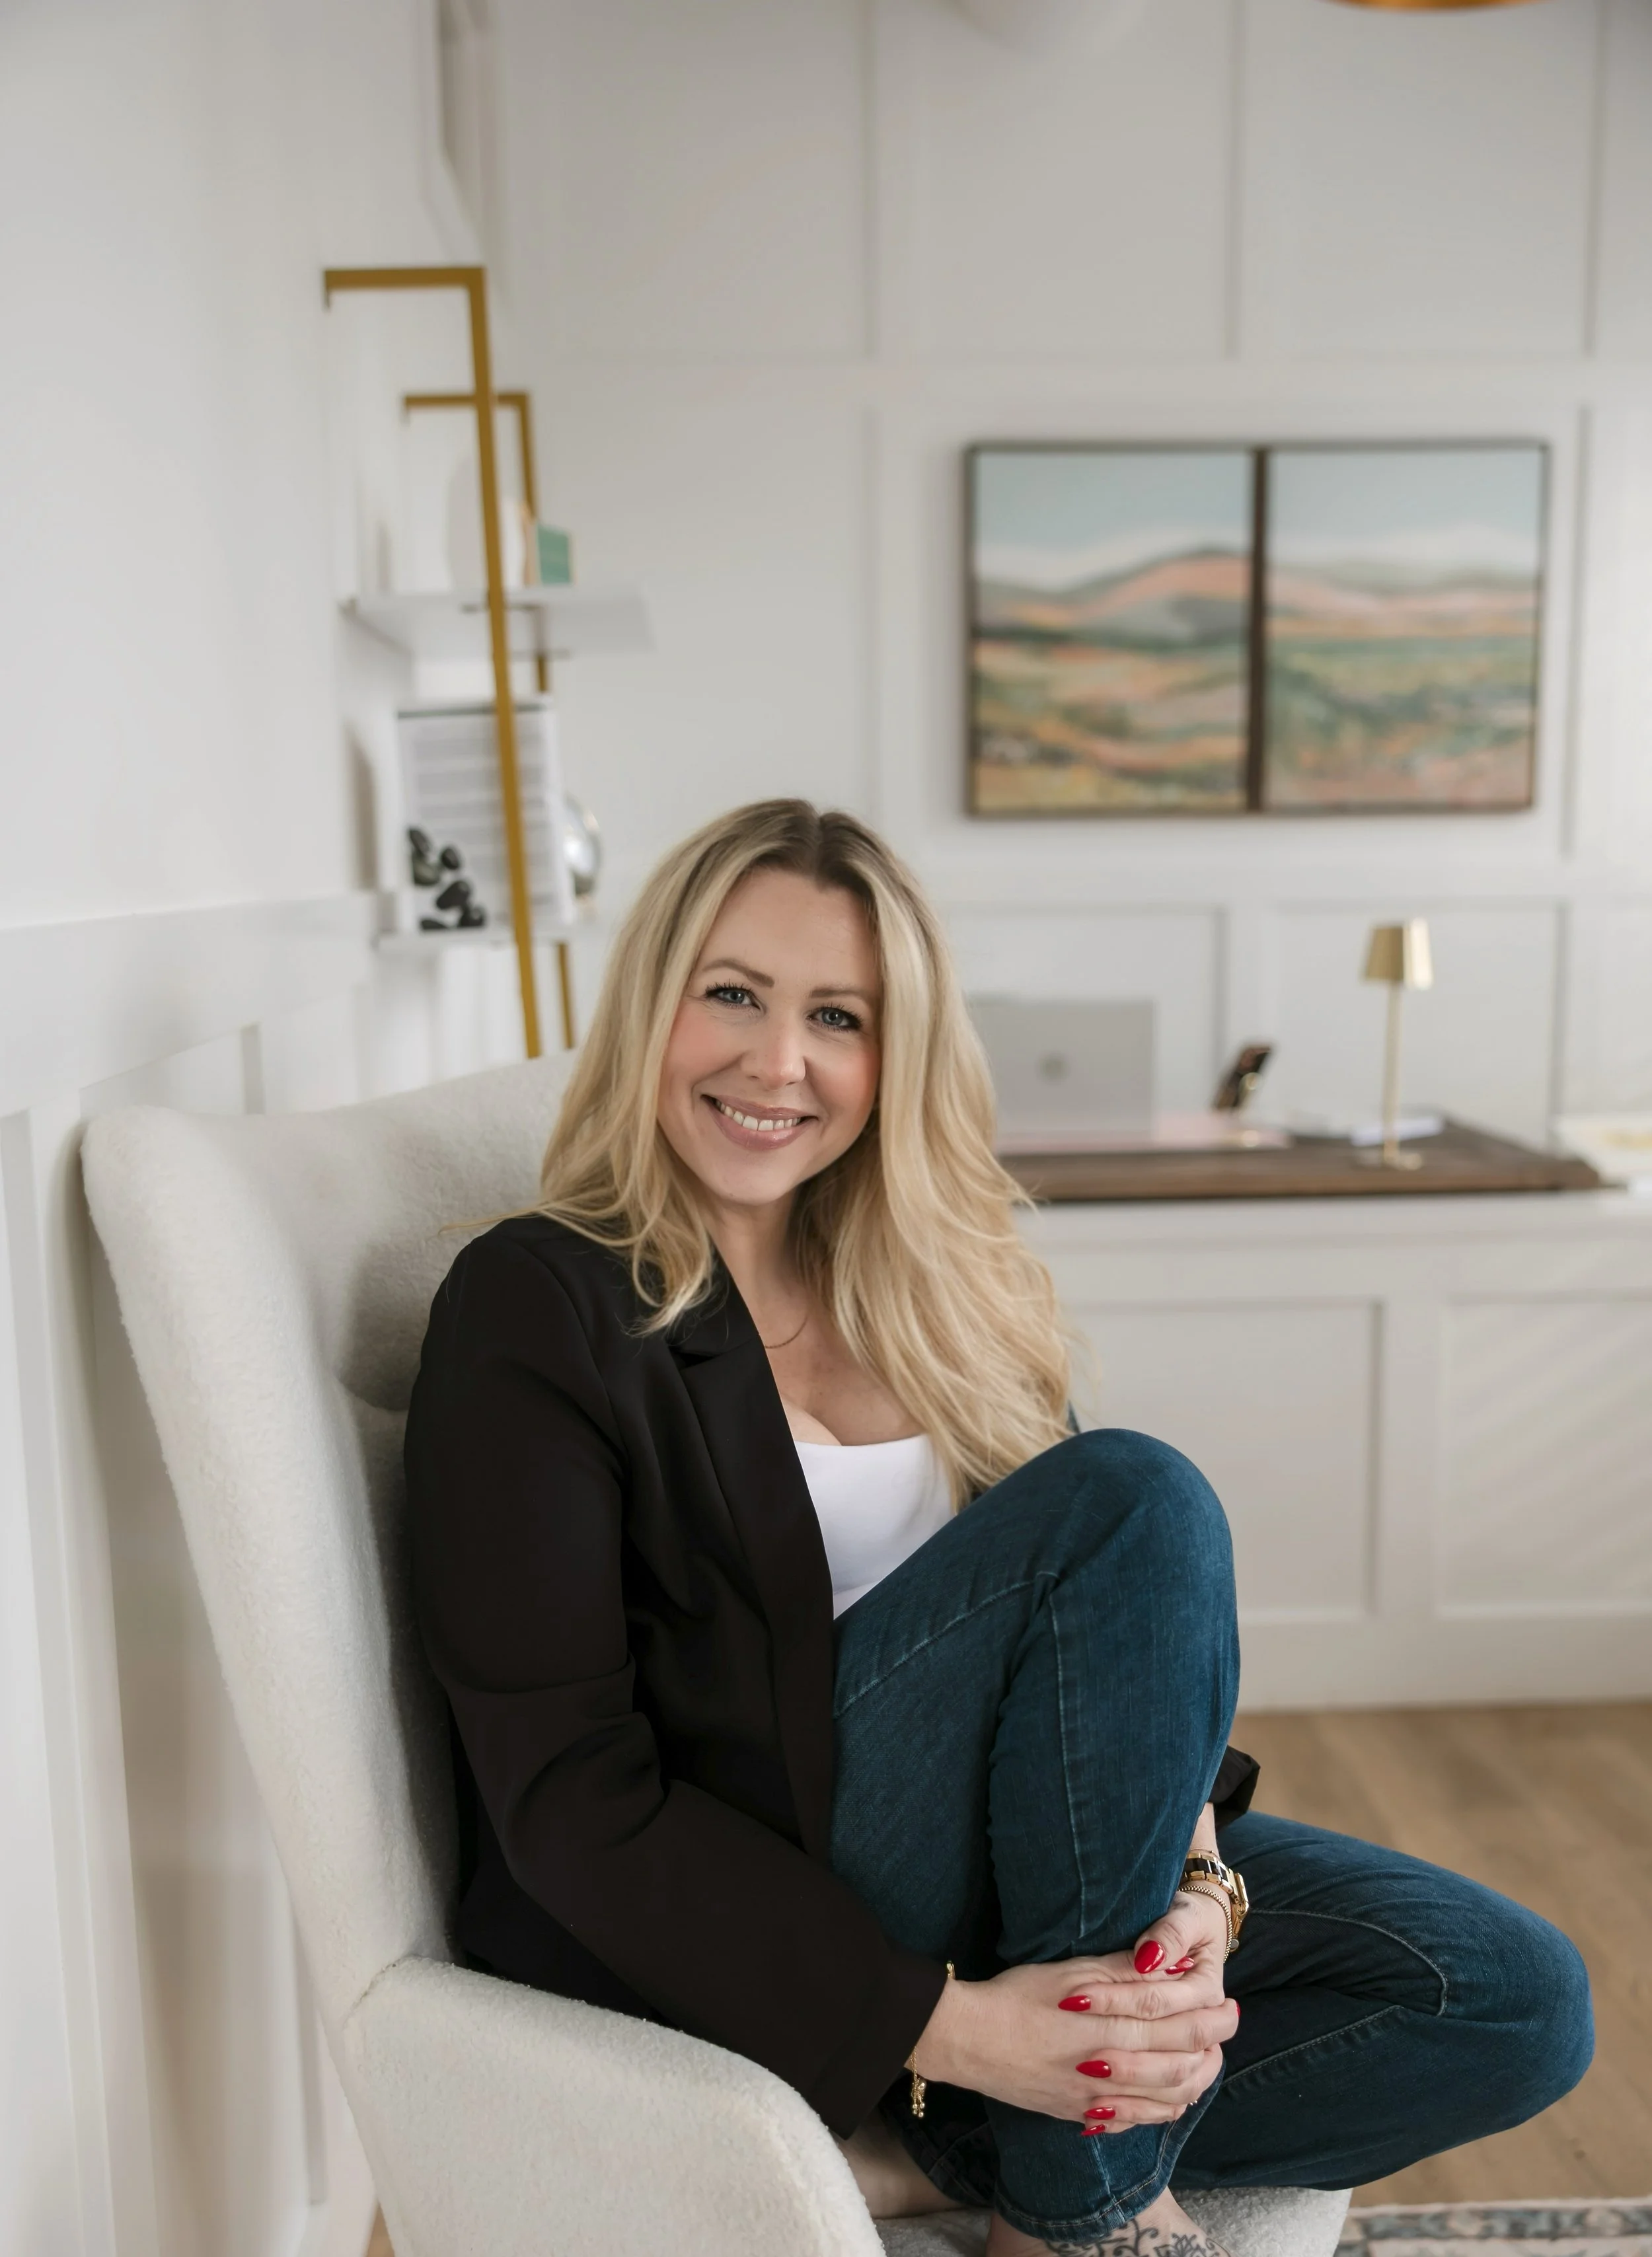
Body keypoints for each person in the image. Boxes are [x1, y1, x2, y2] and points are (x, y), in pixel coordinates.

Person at [405, 799, 1593, 2257]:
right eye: (731, 994)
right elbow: (568, 1802)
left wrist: (1197, 1890)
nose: (778, 1062)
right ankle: (1082, 2209)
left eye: (836, 1015)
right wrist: (955, 2025)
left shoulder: (939, 1291)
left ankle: (956, 2159)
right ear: (651, 1003)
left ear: (890, 1058)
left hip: (1015, 1862)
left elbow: (1122, 1651)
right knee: (1134, 1497)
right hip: (763, 1896)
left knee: (1503, 1993)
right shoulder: (543, 1301)